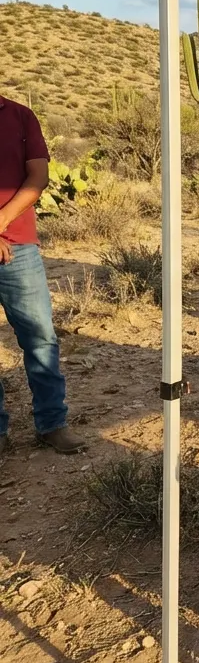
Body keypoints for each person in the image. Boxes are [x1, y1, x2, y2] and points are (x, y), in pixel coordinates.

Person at [0, 95, 86, 459]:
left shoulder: (20, 115)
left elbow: (39, 176)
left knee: (40, 337)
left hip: (18, 247)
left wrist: (0, 224)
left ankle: (52, 424)